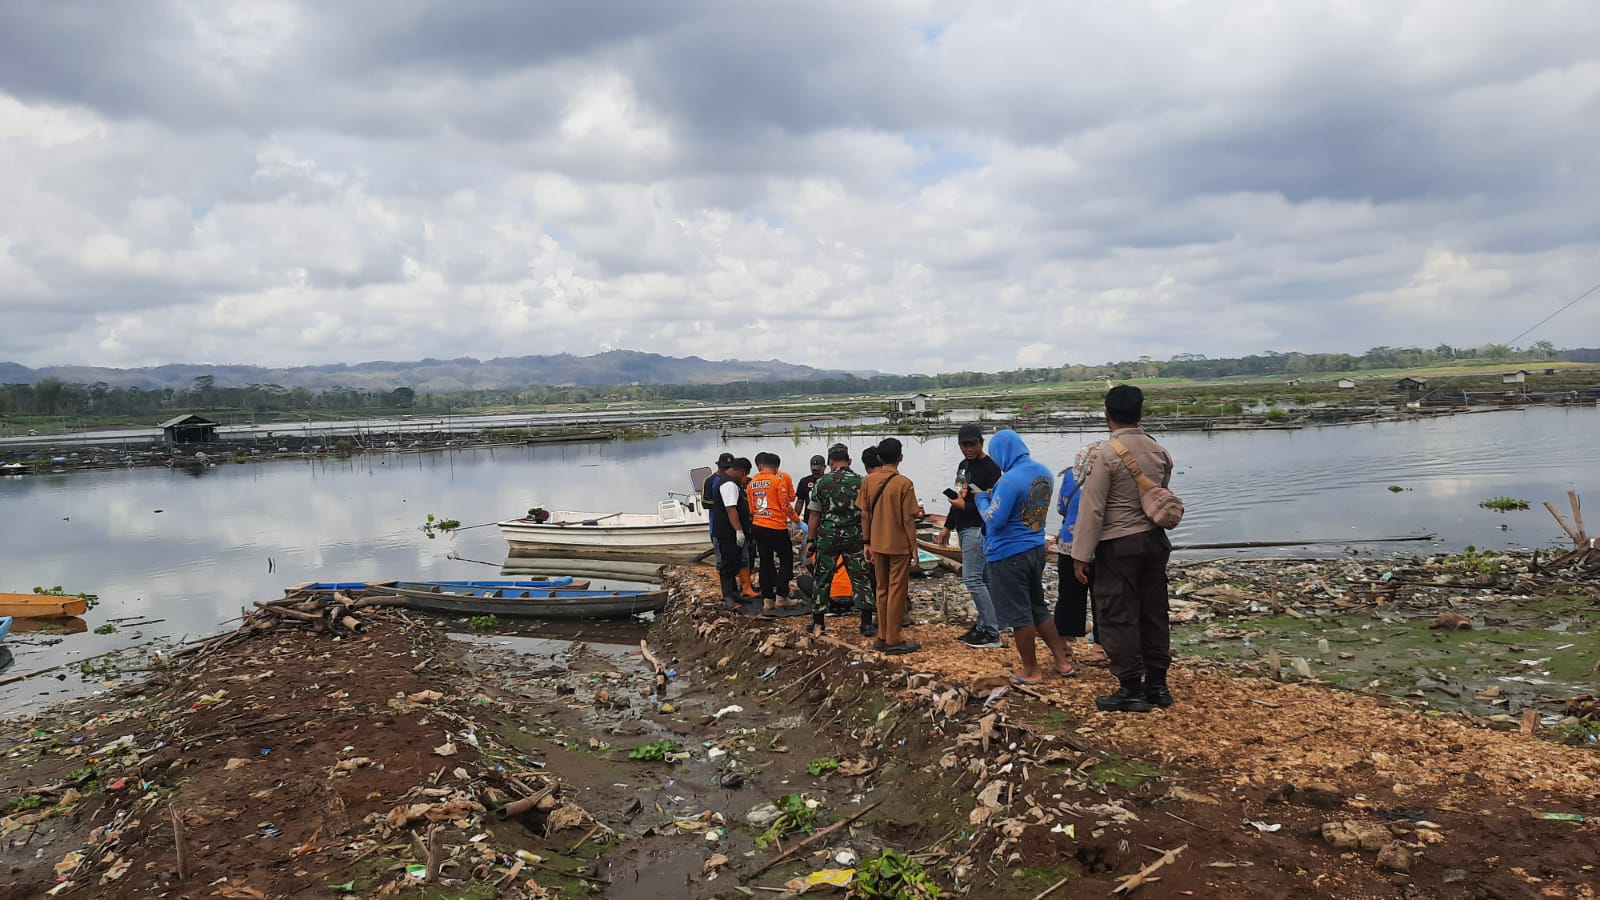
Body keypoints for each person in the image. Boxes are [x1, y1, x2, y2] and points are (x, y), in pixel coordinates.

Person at [1071, 385, 1176, 712]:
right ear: (1140, 412)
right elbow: (1160, 495)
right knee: (1154, 611)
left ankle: (1131, 687)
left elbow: (1093, 509)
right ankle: (1158, 685)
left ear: (1108, 414)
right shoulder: (1159, 451)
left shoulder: (1106, 453)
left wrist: (1080, 555)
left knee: (1118, 614)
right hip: (1153, 540)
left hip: (1117, 544)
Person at [961, 429, 1073, 684]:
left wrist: (981, 500)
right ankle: (1063, 662)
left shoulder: (1009, 480)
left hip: (1009, 553)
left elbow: (994, 519)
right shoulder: (1043, 472)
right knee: (1038, 607)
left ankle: (1031, 671)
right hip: (1035, 547)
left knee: (1020, 615)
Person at [937, 424, 1004, 649]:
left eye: (972, 444)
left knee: (972, 578)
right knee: (984, 579)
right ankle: (985, 623)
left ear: (981, 443)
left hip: (979, 528)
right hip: (963, 527)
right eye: (964, 445)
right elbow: (959, 497)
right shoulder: (963, 466)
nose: (968, 449)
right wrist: (947, 526)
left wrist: (964, 506)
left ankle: (992, 630)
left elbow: (993, 505)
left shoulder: (992, 468)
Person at [858, 438, 920, 654]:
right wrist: (914, 546)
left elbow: (865, 514)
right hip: (898, 544)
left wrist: (866, 542)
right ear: (900, 458)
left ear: (878, 458)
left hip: (876, 542)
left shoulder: (868, 481)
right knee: (897, 590)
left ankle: (883, 634)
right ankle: (893, 639)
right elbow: (908, 520)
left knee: (881, 588)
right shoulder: (904, 484)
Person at [805, 443, 873, 635]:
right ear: (849, 460)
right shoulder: (861, 481)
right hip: (855, 535)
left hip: (828, 536)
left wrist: (811, 539)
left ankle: (819, 622)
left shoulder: (821, 482)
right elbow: (867, 512)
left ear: (830, 461)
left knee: (822, 577)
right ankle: (866, 623)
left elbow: (814, 515)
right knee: (860, 577)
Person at [1052, 440, 1104, 655]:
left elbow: (1060, 508)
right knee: (1102, 596)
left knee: (1069, 595)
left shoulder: (1069, 476)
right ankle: (1101, 647)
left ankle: (1064, 642)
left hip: (1069, 544)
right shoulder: (1107, 478)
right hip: (1099, 544)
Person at [747, 452, 802, 613]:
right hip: (776, 526)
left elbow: (751, 509)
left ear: (761, 465)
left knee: (765, 562)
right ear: (777, 467)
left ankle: (767, 600)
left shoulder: (751, 484)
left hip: (758, 525)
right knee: (786, 560)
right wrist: (796, 520)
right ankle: (781, 597)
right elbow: (785, 504)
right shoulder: (778, 481)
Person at [710, 457, 756, 606]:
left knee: (735, 562)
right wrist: (738, 531)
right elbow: (731, 509)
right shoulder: (728, 484)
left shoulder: (728, 481)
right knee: (728, 563)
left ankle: (734, 593)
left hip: (729, 530)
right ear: (741, 471)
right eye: (744, 475)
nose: (744, 479)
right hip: (727, 532)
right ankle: (727, 597)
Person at [702, 452, 737, 568]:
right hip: (717, 526)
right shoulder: (710, 481)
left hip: (735, 526)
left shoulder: (735, 480)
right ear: (719, 467)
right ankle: (723, 584)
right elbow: (705, 503)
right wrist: (723, 504)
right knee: (721, 560)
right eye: (725, 468)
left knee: (737, 559)